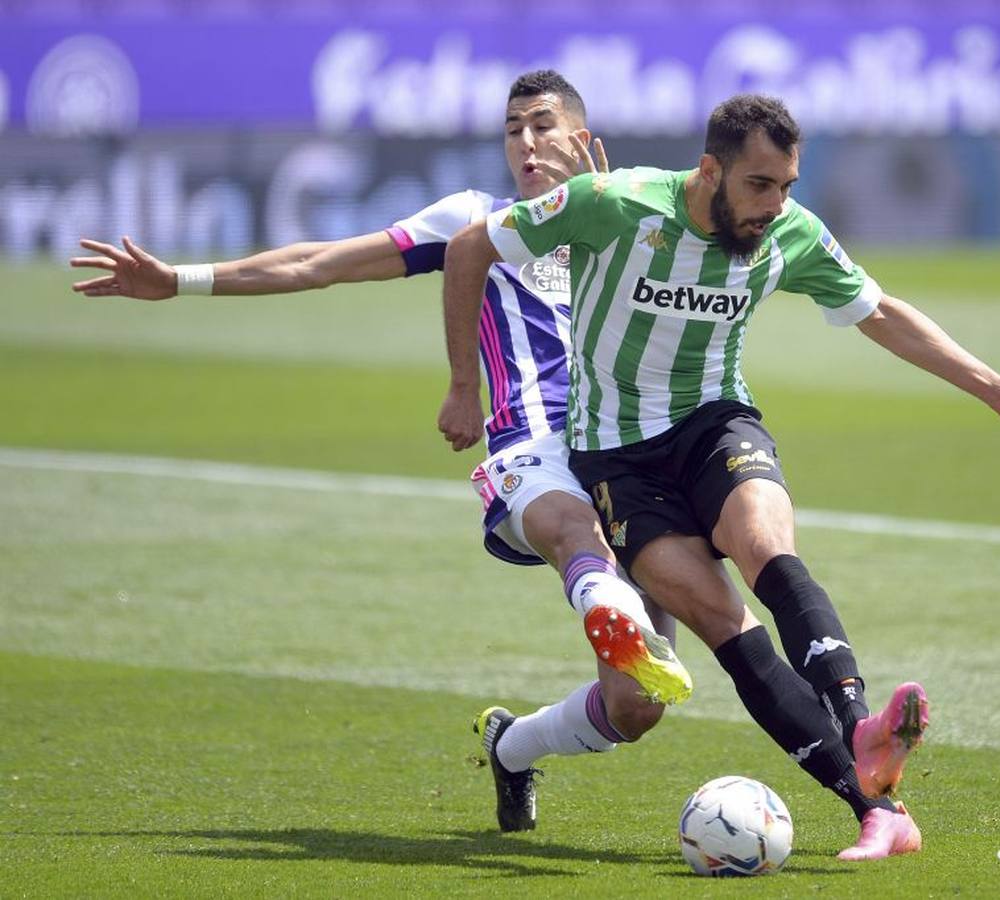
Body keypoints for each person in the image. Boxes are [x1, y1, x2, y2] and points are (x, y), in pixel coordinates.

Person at [438, 93, 1000, 860]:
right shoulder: (613, 204)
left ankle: (862, 726)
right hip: (616, 459)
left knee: (764, 545)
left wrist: (993, 386)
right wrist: (463, 387)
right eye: (759, 186)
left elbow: (879, 311)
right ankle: (878, 810)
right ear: (710, 171)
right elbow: (470, 246)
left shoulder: (788, 234)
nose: (775, 205)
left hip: (715, 425)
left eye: (787, 186)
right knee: (723, 625)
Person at [69, 70, 693, 835]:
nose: (524, 144)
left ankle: (514, 745)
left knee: (638, 706)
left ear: (581, 139)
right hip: (533, 453)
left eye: (540, 125)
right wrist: (182, 280)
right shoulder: (473, 220)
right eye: (511, 130)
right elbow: (318, 262)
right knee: (575, 536)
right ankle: (615, 610)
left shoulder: (631, 222)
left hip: (630, 457)